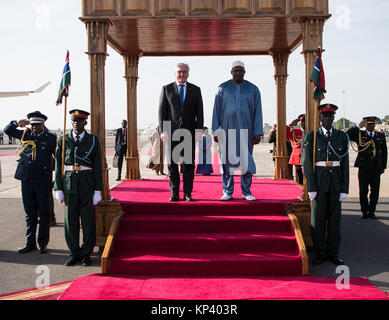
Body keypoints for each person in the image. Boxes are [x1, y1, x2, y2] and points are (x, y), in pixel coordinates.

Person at [302, 103, 349, 266]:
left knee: (335, 220)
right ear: (320, 118)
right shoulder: (312, 136)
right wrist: (311, 187)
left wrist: (345, 188)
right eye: (325, 116)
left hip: (335, 182)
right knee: (318, 220)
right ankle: (320, 252)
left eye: (330, 116)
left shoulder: (341, 136)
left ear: (333, 118)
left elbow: (345, 164)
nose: (328, 119)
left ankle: (333, 253)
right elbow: (306, 163)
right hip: (320, 184)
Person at [54, 109, 103, 266]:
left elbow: (97, 166)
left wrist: (98, 190)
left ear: (85, 123)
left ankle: (86, 252)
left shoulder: (93, 140)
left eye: (79, 120)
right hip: (69, 184)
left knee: (88, 221)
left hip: (87, 184)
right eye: (74, 120)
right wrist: (58, 187)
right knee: (71, 221)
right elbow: (58, 165)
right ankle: (74, 252)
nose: (76, 123)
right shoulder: (63, 140)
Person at [3, 111, 57, 254]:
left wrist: (57, 177)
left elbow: (58, 157)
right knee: (30, 213)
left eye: (37, 125)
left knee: (44, 213)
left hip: (43, 180)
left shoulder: (50, 138)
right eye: (32, 125)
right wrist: (17, 123)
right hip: (26, 179)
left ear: (43, 125)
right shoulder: (25, 134)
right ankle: (30, 243)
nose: (34, 128)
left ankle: (43, 243)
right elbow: (7, 130)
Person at [212, 61, 263, 201]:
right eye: (235, 71)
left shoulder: (253, 89)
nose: (238, 73)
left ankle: (246, 192)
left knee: (246, 160)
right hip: (227, 130)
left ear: (244, 72)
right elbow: (216, 111)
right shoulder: (222, 88)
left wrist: (257, 132)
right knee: (226, 160)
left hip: (247, 129)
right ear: (231, 72)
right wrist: (216, 130)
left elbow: (258, 112)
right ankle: (227, 191)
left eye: (240, 71)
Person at [158, 63, 204, 201]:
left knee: (189, 164)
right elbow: (162, 112)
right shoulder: (166, 89)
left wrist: (199, 130)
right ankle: (174, 193)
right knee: (172, 165)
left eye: (184, 72)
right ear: (175, 73)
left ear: (188, 73)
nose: (182, 74)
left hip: (189, 133)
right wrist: (162, 131)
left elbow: (199, 113)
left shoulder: (195, 90)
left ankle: (188, 193)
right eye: (179, 72)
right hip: (171, 133)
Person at [346, 116, 387, 219]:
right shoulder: (360, 134)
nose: (370, 126)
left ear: (374, 125)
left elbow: (384, 152)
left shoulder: (380, 135)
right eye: (368, 124)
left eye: (372, 124)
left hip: (376, 168)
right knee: (363, 190)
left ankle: (372, 211)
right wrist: (357, 126)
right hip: (364, 167)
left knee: (375, 191)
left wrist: (383, 166)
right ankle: (364, 211)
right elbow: (347, 135)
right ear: (365, 125)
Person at [287, 114, 306, 184]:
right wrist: (290, 125)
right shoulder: (295, 131)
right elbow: (284, 134)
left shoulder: (311, 132)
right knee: (299, 179)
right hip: (298, 158)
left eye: (305, 121)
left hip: (308, 158)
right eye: (302, 121)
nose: (304, 123)